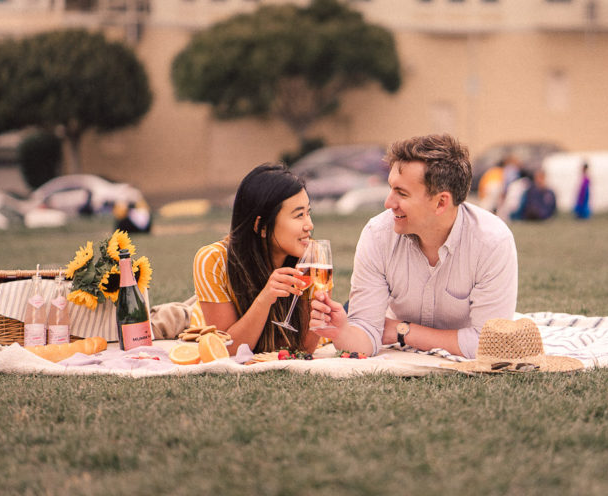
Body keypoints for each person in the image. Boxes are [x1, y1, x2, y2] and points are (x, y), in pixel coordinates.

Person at [310, 134, 518, 358]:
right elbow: (368, 333)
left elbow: (488, 345)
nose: (388, 203)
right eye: (391, 189)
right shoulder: (377, 235)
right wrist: (342, 332)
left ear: (441, 202)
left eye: (401, 193)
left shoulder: (492, 242)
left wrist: (403, 330)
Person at [192, 163, 319, 355]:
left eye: (308, 213)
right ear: (262, 226)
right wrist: (265, 299)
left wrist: (321, 316)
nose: (309, 225)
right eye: (299, 215)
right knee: (174, 315)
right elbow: (228, 351)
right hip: (201, 316)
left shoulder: (312, 258)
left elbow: (304, 349)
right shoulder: (214, 260)